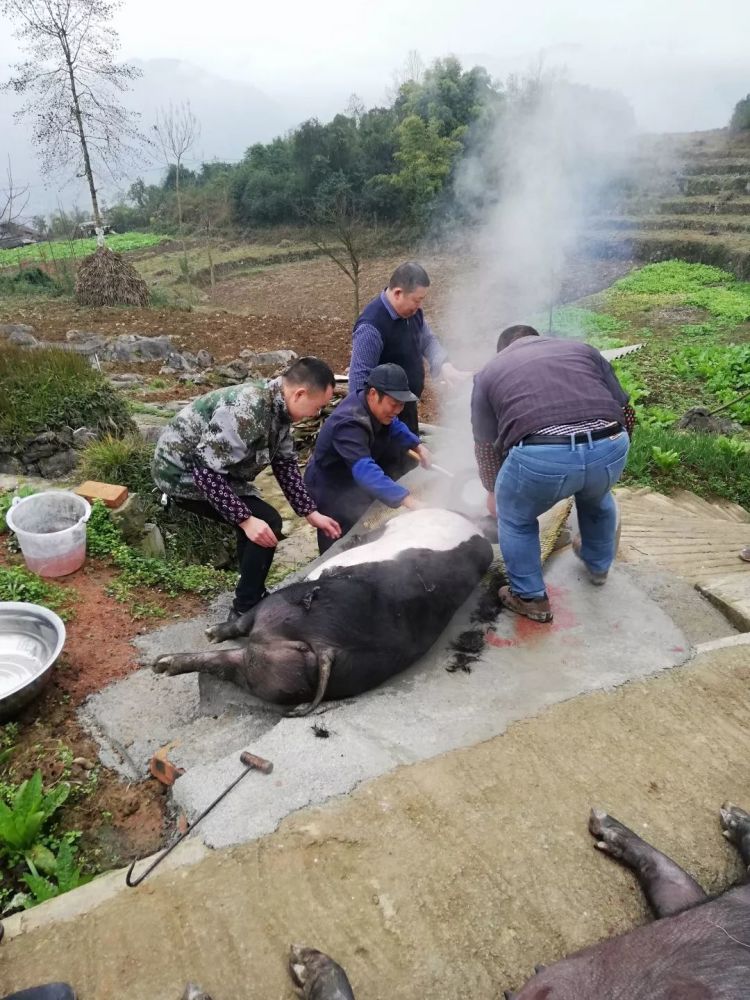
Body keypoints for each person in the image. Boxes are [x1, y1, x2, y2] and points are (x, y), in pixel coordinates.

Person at [152, 357, 341, 621]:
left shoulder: (280, 411)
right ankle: (245, 608)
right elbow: (205, 472)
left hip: (215, 470)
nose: (316, 414)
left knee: (260, 521)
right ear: (299, 393)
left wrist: (309, 512)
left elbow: (285, 464)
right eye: (317, 406)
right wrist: (245, 520)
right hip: (180, 474)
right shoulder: (247, 409)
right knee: (264, 521)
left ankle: (250, 592)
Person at [471, 325, 633, 624]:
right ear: (538, 338)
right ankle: (598, 567)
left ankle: (530, 598)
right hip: (611, 442)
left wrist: (494, 491)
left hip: (543, 455)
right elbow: (626, 410)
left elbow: (485, 444)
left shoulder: (489, 371)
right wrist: (612, 460)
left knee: (516, 518)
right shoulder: (582, 350)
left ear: (502, 349)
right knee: (597, 496)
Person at [304, 363, 431, 553]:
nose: (397, 410)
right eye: (394, 404)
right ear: (373, 394)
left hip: (351, 483)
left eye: (401, 405)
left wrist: (417, 446)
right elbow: (365, 471)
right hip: (330, 488)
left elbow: (394, 424)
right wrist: (409, 500)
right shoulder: (350, 423)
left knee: (361, 531)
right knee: (336, 541)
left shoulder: (376, 408)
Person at [348, 261, 469, 435]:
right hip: (382, 418)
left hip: (405, 405)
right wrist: (367, 425)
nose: (419, 306)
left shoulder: (412, 314)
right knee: (389, 462)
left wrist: (445, 366)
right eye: (417, 300)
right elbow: (359, 381)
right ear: (398, 293)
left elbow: (428, 340)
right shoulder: (371, 326)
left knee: (409, 459)